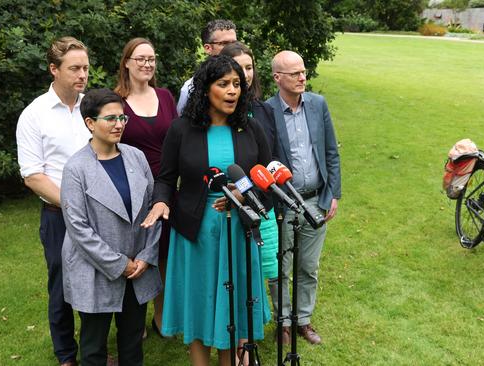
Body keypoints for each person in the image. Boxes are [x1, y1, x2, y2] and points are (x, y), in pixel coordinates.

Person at [142, 55, 271, 366]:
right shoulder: (182, 129)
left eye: (237, 84)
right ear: (205, 89)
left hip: (238, 232)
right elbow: (166, 178)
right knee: (200, 306)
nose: (232, 91)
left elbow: (265, 182)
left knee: (233, 309)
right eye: (223, 84)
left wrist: (243, 199)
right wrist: (161, 201)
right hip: (195, 233)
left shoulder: (251, 128)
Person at [60, 88, 162, 366]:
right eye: (111, 118)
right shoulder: (75, 168)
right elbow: (78, 228)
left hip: (137, 269)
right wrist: (120, 264)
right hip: (96, 270)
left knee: (132, 343)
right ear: (90, 123)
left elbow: (153, 208)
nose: (119, 124)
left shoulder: (136, 157)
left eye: (123, 118)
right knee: (93, 348)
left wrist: (145, 257)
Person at [16, 36, 90, 366]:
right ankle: (66, 355)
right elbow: (33, 175)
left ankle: (93, 350)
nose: (82, 75)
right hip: (59, 215)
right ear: (53, 69)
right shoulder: (35, 115)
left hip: (98, 213)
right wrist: (73, 205)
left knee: (96, 285)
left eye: (86, 68)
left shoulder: (92, 109)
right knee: (62, 286)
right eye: (74, 68)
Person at [266, 50, 342, 346]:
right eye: (294, 73)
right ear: (277, 78)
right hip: (283, 204)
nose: (302, 77)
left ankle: (303, 320)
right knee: (280, 266)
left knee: (308, 266)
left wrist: (332, 193)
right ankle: (283, 322)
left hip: (315, 201)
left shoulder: (317, 104)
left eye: (303, 72)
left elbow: (331, 152)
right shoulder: (266, 111)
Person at [114, 37, 178, 337]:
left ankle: (161, 315)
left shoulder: (165, 96)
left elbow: (177, 138)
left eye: (151, 58)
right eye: (140, 58)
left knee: (164, 252)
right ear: (126, 62)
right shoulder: (116, 102)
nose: (146, 64)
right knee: (137, 250)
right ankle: (133, 319)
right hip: (133, 187)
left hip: (168, 185)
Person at [220, 41, 280, 286]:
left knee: (271, 266)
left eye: (249, 67)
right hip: (227, 202)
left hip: (262, 199)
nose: (245, 74)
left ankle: (283, 321)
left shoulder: (263, 110)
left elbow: (271, 157)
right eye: (238, 68)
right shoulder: (216, 114)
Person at [176, 19, 238, 115]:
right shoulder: (191, 88)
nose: (232, 48)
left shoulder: (247, 78)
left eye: (234, 43)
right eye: (224, 43)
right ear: (208, 48)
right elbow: (183, 125)